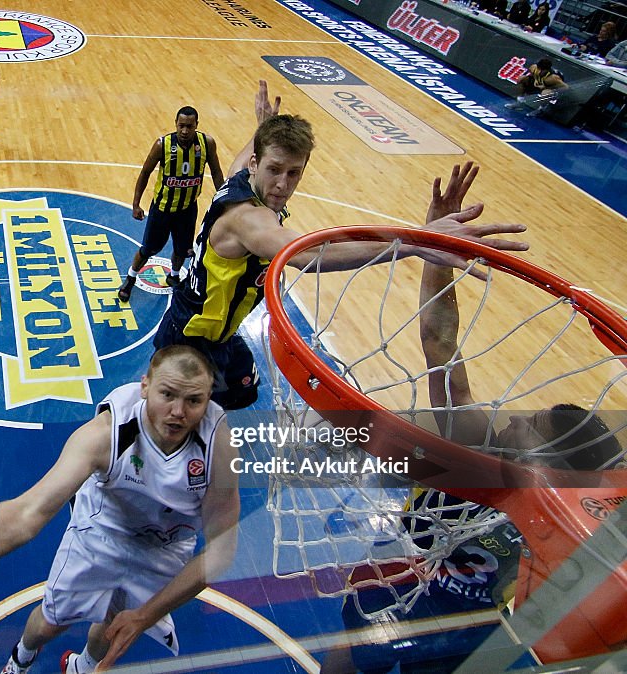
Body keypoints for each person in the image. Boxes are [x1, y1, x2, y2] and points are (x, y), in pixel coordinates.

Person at [321, 162, 622, 674]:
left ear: (551, 463)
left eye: (529, 425)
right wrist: (435, 250)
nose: (512, 422)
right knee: (350, 655)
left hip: (469, 621)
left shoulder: (568, 518)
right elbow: (440, 343)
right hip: (399, 574)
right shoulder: (476, 442)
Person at [151, 81, 528, 411]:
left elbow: (254, 152)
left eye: (294, 173)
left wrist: (264, 126)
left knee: (244, 392)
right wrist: (414, 241)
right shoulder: (249, 219)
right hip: (192, 339)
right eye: (274, 169)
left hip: (215, 327)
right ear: (255, 164)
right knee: (185, 423)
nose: (283, 183)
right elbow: (311, 254)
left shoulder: (242, 176)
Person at [0, 345, 239, 674]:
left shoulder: (219, 449)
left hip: (165, 547)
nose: (178, 411)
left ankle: (81, 667)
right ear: (145, 386)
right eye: (167, 394)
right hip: (102, 531)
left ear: (208, 399)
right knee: (50, 624)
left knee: (116, 626)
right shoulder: (106, 434)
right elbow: (28, 513)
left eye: (193, 401)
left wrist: (146, 615)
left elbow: (222, 550)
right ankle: (22, 656)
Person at [117, 107, 225, 303]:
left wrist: (223, 200)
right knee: (148, 249)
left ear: (196, 126)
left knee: (182, 249)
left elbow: (217, 172)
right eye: (181, 126)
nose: (184, 131)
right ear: (175, 124)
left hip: (188, 209)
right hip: (162, 209)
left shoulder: (207, 144)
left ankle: (174, 275)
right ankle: (130, 278)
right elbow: (145, 173)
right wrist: (136, 204)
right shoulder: (163, 145)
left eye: (189, 126)